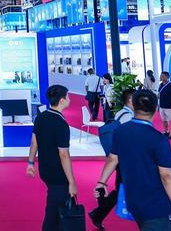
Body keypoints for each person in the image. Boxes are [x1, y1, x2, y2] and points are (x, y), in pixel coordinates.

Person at [94, 89, 171, 230]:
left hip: (132, 200)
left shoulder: (120, 131)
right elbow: (167, 176)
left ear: (133, 105)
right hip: (155, 206)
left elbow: (112, 159)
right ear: (155, 108)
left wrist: (102, 182)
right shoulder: (158, 139)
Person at [27, 84, 77, 231]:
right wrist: (71, 181)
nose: (69, 99)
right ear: (62, 100)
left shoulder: (41, 117)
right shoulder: (61, 123)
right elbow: (64, 154)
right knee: (53, 214)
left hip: (45, 169)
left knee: (55, 209)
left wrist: (31, 162)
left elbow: (34, 142)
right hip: (58, 174)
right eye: (68, 96)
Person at [88, 88, 135, 230]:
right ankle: (98, 212)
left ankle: (98, 213)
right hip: (124, 158)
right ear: (130, 100)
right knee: (124, 188)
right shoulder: (128, 117)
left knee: (121, 188)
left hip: (118, 157)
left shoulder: (121, 113)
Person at [158, 72, 171, 140]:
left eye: (162, 76)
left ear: (167, 77)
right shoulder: (160, 85)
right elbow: (159, 94)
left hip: (169, 107)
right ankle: (166, 131)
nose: (160, 77)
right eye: (161, 76)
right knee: (164, 120)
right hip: (162, 106)